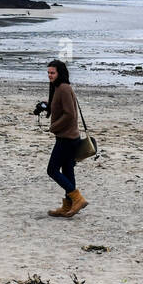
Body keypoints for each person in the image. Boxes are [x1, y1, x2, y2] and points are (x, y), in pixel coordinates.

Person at [36, 58, 88, 217]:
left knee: (52, 170)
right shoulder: (58, 88)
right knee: (67, 172)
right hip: (69, 138)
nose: (50, 75)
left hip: (67, 139)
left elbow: (70, 114)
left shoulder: (64, 88)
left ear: (60, 73)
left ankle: (77, 198)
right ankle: (68, 206)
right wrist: (44, 106)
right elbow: (59, 107)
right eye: (48, 73)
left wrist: (53, 127)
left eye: (52, 73)